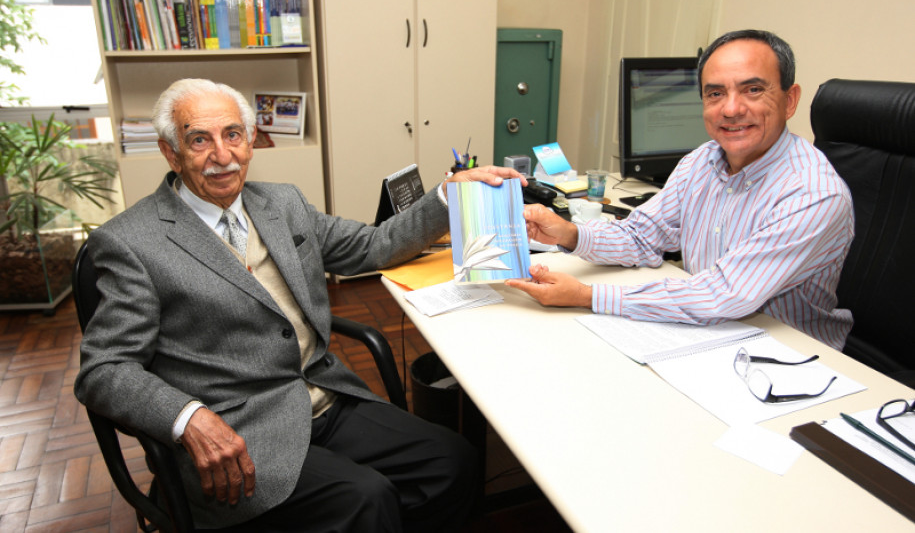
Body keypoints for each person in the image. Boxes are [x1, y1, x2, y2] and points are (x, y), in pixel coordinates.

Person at [74, 78, 525, 531]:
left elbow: (372, 246)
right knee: (366, 499)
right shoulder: (130, 241)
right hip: (237, 429)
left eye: (232, 134)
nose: (222, 155)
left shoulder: (282, 202)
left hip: (322, 396)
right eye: (198, 140)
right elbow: (104, 368)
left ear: (250, 141)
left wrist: (449, 195)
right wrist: (187, 418)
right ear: (171, 153)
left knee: (454, 461)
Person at [506, 29, 854, 350]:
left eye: (753, 89)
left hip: (791, 358)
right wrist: (569, 234)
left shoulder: (812, 194)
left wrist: (587, 295)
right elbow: (643, 236)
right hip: (710, 332)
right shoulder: (702, 161)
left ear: (790, 101)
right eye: (715, 93)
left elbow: (724, 295)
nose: (731, 109)